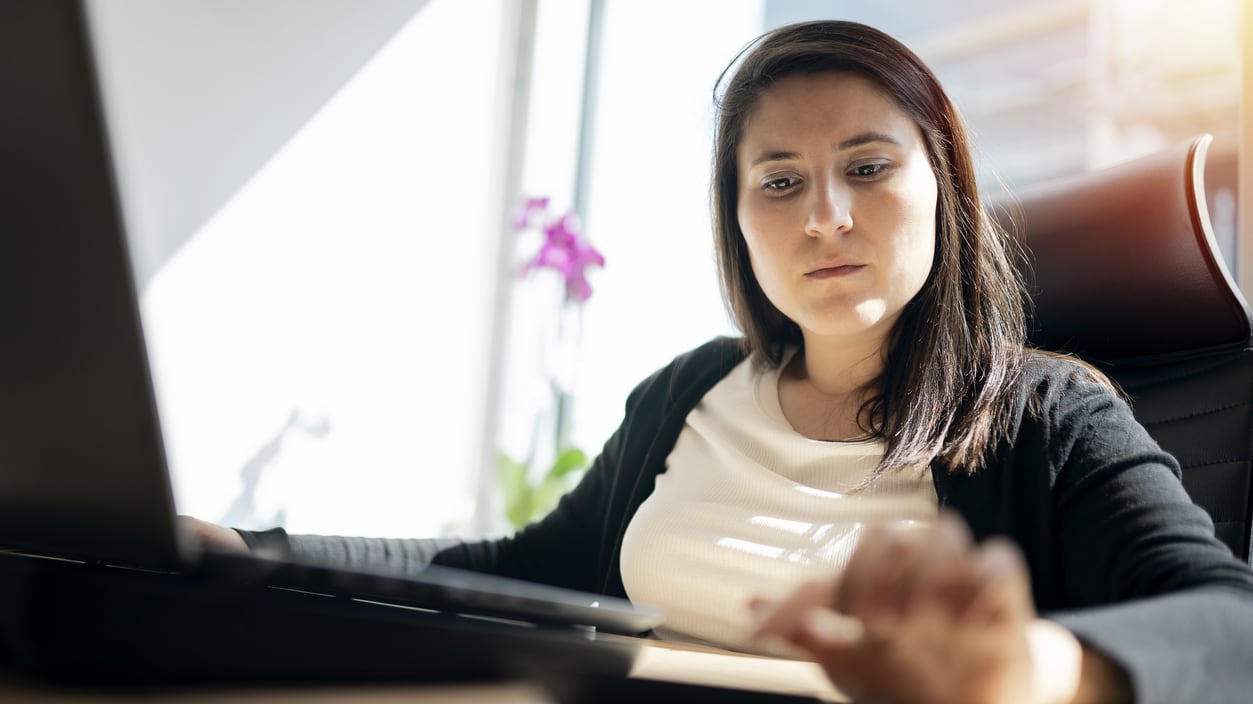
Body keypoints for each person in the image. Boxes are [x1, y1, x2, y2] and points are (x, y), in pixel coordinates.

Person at [184, 19, 1253, 704]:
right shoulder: (687, 390)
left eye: (867, 166)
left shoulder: (1044, 414)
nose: (824, 215)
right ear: (736, 220)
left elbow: (1229, 624)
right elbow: (512, 568)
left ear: (944, 188)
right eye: (777, 181)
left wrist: (1028, 670)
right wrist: (244, 546)